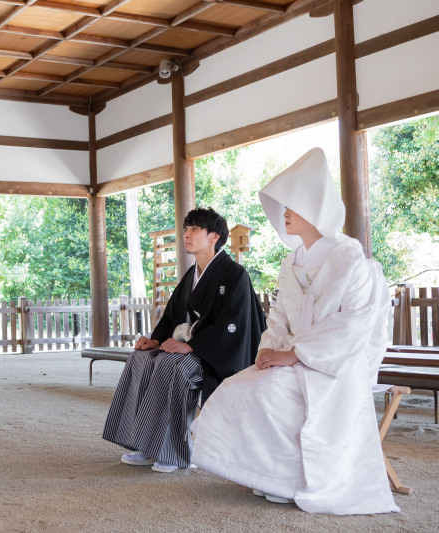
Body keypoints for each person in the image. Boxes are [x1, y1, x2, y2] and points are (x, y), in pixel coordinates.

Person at [191, 148, 399, 514]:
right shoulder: (292, 262)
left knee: (274, 393)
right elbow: (279, 315)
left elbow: (354, 322)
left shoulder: (350, 257)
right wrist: (268, 350)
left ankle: (293, 480)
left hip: (332, 364)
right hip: (293, 356)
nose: (284, 213)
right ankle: (268, 474)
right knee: (239, 386)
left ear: (316, 207)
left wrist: (296, 355)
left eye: (293, 205)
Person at [102, 207, 266, 472]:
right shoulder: (192, 275)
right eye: (185, 229)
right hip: (193, 347)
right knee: (140, 359)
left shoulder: (235, 275)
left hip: (217, 354)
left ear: (214, 237)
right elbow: (172, 315)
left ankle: (177, 451)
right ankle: (145, 442)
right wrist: (155, 341)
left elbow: (234, 325)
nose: (186, 235)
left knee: (173, 366)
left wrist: (192, 346)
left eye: (194, 229)